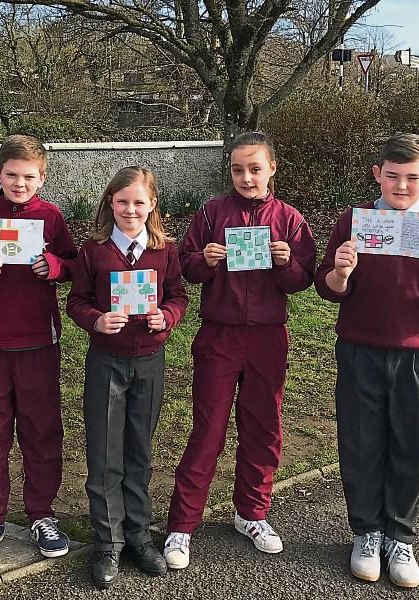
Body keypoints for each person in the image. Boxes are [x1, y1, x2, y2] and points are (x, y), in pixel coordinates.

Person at [314, 133, 419, 589]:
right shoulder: (354, 221)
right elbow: (329, 289)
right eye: (391, 176)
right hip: (360, 349)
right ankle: (366, 532)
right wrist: (342, 269)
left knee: (411, 445)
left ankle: (399, 536)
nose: (401, 186)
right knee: (361, 443)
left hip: (418, 354)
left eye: (411, 177)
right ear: (377, 175)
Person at [163, 131, 317, 570]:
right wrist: (204, 260)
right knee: (207, 428)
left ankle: (252, 512)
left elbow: (304, 278)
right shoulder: (212, 213)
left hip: (268, 337)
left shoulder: (288, 218)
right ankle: (183, 522)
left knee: (264, 425)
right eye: (237, 170)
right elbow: (185, 268)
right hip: (220, 334)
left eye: (254, 168)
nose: (246, 177)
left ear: (272, 169)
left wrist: (287, 262)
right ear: (228, 171)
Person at [0, 134, 77, 565]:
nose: (19, 183)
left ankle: (42, 513)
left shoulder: (52, 216)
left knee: (42, 431)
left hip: (40, 342)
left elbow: (77, 266)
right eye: (11, 175)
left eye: (28, 176)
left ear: (42, 177)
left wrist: (55, 267)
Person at [67, 166, 188, 589]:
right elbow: (77, 301)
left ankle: (138, 534)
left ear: (152, 204)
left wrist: (166, 317)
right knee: (104, 453)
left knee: (140, 451)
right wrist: (96, 321)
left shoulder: (165, 251)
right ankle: (108, 539)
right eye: (122, 202)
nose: (130, 210)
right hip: (107, 361)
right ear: (110, 204)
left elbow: (178, 296)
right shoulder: (94, 251)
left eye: (139, 202)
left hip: (150, 361)